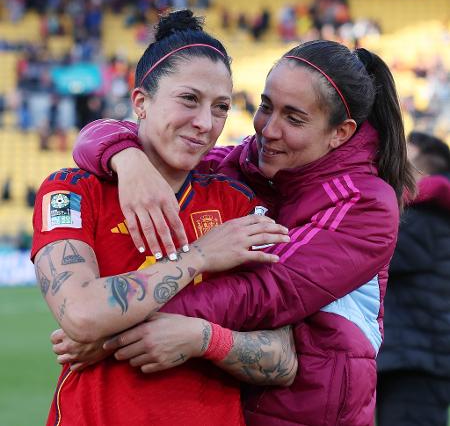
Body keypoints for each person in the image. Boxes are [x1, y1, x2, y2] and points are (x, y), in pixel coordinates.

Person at [67, 38, 416, 425]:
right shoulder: (241, 165)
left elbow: (267, 291)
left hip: (309, 412)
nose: (269, 129)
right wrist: (126, 158)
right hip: (230, 406)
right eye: (266, 106)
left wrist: (114, 322)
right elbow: (101, 137)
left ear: (341, 133)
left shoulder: (365, 202)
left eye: (294, 118)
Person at [32, 10, 293, 426]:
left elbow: (283, 359)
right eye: (189, 99)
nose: (205, 123)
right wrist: (200, 257)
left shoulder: (238, 205)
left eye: (220, 107)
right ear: (141, 102)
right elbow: (80, 314)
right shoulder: (73, 190)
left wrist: (202, 338)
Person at [376, 132, 450, 426]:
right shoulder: (430, 213)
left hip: (416, 361)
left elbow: (373, 256)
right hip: (413, 356)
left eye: (406, 155)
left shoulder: (426, 217)